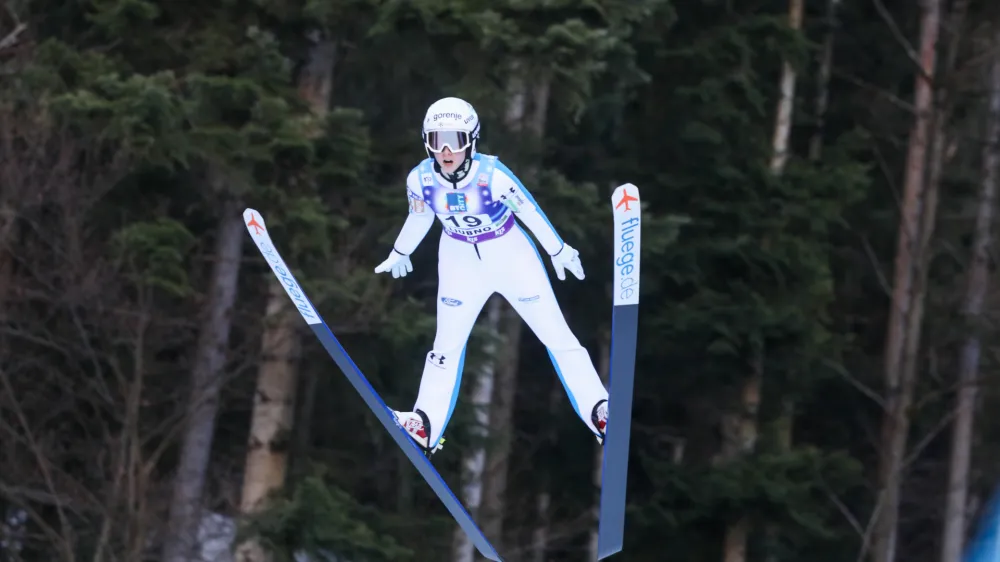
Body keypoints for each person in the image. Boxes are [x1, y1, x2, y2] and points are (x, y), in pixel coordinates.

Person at [374, 96, 609, 457]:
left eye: (455, 138)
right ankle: (426, 424)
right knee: (446, 344)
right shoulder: (419, 179)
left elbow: (529, 210)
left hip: (509, 253)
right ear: (427, 142)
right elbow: (420, 217)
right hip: (458, 258)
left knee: (556, 335)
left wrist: (557, 249)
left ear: (471, 139)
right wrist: (400, 251)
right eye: (438, 140)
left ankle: (599, 411)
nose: (447, 149)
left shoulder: (492, 176)